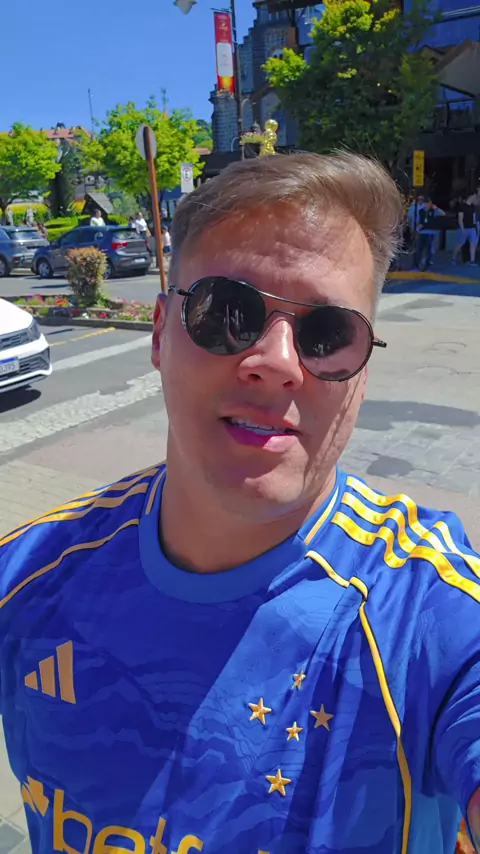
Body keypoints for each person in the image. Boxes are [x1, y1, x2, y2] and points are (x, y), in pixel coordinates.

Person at [2, 152, 480, 854]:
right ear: (160, 333)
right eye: (228, 313)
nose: (277, 362)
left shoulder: (428, 616)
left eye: (327, 335)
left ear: (361, 373)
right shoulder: (27, 572)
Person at [414, 197, 445, 270]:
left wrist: (436, 208)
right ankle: (417, 264)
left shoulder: (433, 211)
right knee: (419, 249)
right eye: (427, 203)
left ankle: (427, 264)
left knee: (428, 249)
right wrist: (417, 229)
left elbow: (443, 214)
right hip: (422, 232)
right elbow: (418, 221)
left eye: (429, 203)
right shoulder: (421, 211)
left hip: (430, 232)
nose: (428, 205)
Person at [451, 193, 478, 266]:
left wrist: (475, 227)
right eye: (474, 196)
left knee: (473, 243)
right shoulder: (462, 206)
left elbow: (474, 218)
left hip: (472, 228)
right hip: (464, 228)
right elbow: (460, 219)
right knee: (460, 243)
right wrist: (462, 230)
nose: (475, 198)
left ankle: (472, 260)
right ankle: (453, 258)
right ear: (470, 197)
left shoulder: (472, 207)